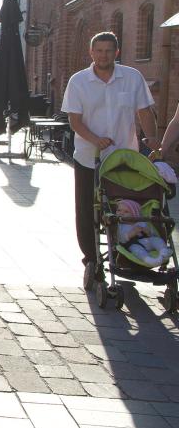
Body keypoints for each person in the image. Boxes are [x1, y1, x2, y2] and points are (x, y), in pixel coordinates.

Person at [62, 32, 158, 275]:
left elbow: (144, 112)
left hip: (124, 157)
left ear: (116, 52)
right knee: (87, 210)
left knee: (126, 207)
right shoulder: (78, 81)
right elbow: (75, 120)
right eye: (99, 50)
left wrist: (153, 142)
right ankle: (92, 259)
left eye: (108, 51)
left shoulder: (132, 77)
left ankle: (126, 254)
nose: (103, 55)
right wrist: (96, 140)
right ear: (91, 53)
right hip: (88, 156)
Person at [115, 199, 173, 267]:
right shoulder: (120, 225)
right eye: (119, 210)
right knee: (137, 249)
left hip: (146, 241)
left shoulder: (141, 222)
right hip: (132, 244)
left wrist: (148, 232)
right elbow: (121, 239)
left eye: (126, 211)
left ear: (134, 214)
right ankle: (149, 260)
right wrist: (131, 233)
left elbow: (153, 234)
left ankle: (164, 252)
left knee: (157, 240)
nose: (121, 213)